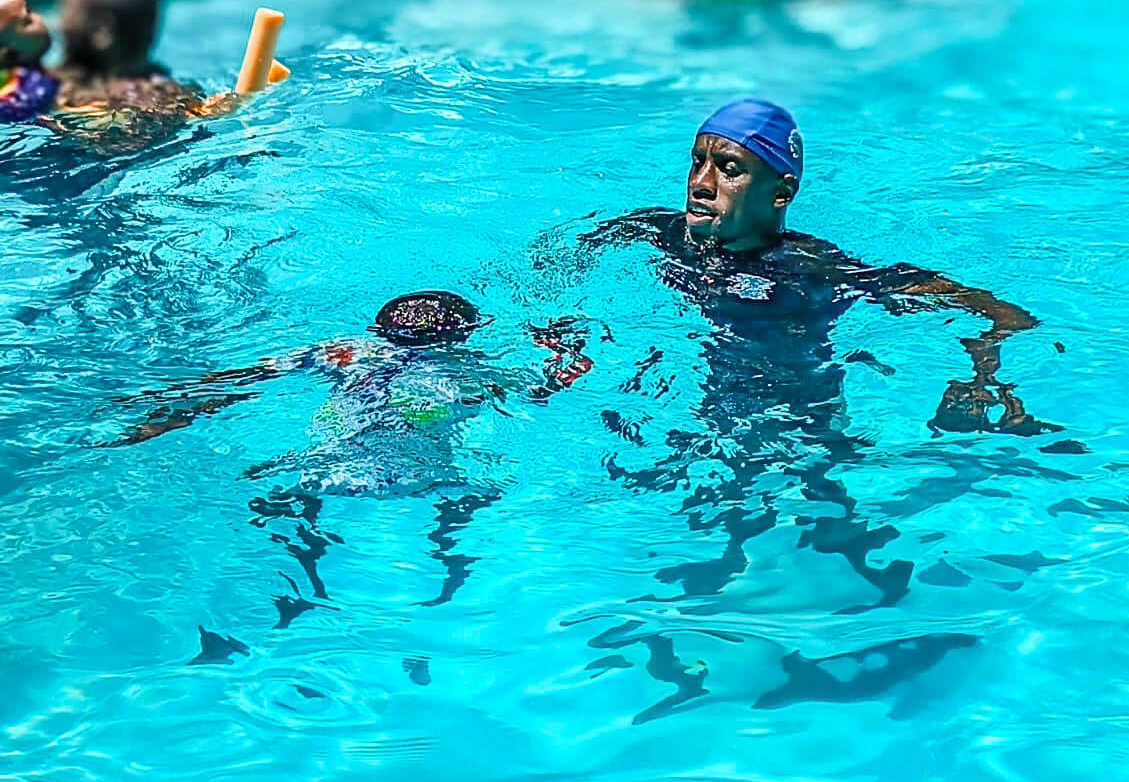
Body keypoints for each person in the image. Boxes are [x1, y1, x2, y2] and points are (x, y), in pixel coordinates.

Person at [566, 98, 1063, 622]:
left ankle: (889, 601)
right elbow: (563, 261)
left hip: (798, 415)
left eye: (729, 169)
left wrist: (985, 364)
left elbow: (996, 311)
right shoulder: (659, 233)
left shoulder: (811, 267)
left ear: (780, 192)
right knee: (723, 515)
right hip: (708, 401)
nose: (702, 182)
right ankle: (725, 607)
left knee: (822, 514)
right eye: (697, 162)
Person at [106, 290, 594, 621]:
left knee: (298, 517)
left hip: (323, 467)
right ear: (464, 336)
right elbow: (544, 391)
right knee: (462, 505)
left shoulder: (344, 352)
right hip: (418, 474)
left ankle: (297, 591)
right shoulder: (470, 371)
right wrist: (565, 353)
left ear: (377, 328)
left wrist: (172, 410)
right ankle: (449, 578)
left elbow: (243, 382)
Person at [54, 0, 208, 124]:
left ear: (101, 31)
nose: (60, 24)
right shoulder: (167, 96)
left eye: (67, 13)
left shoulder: (52, 87)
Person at [0, 0, 58, 122]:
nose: (39, 18)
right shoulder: (28, 94)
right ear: (9, 54)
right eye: (27, 21)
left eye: (30, 10)